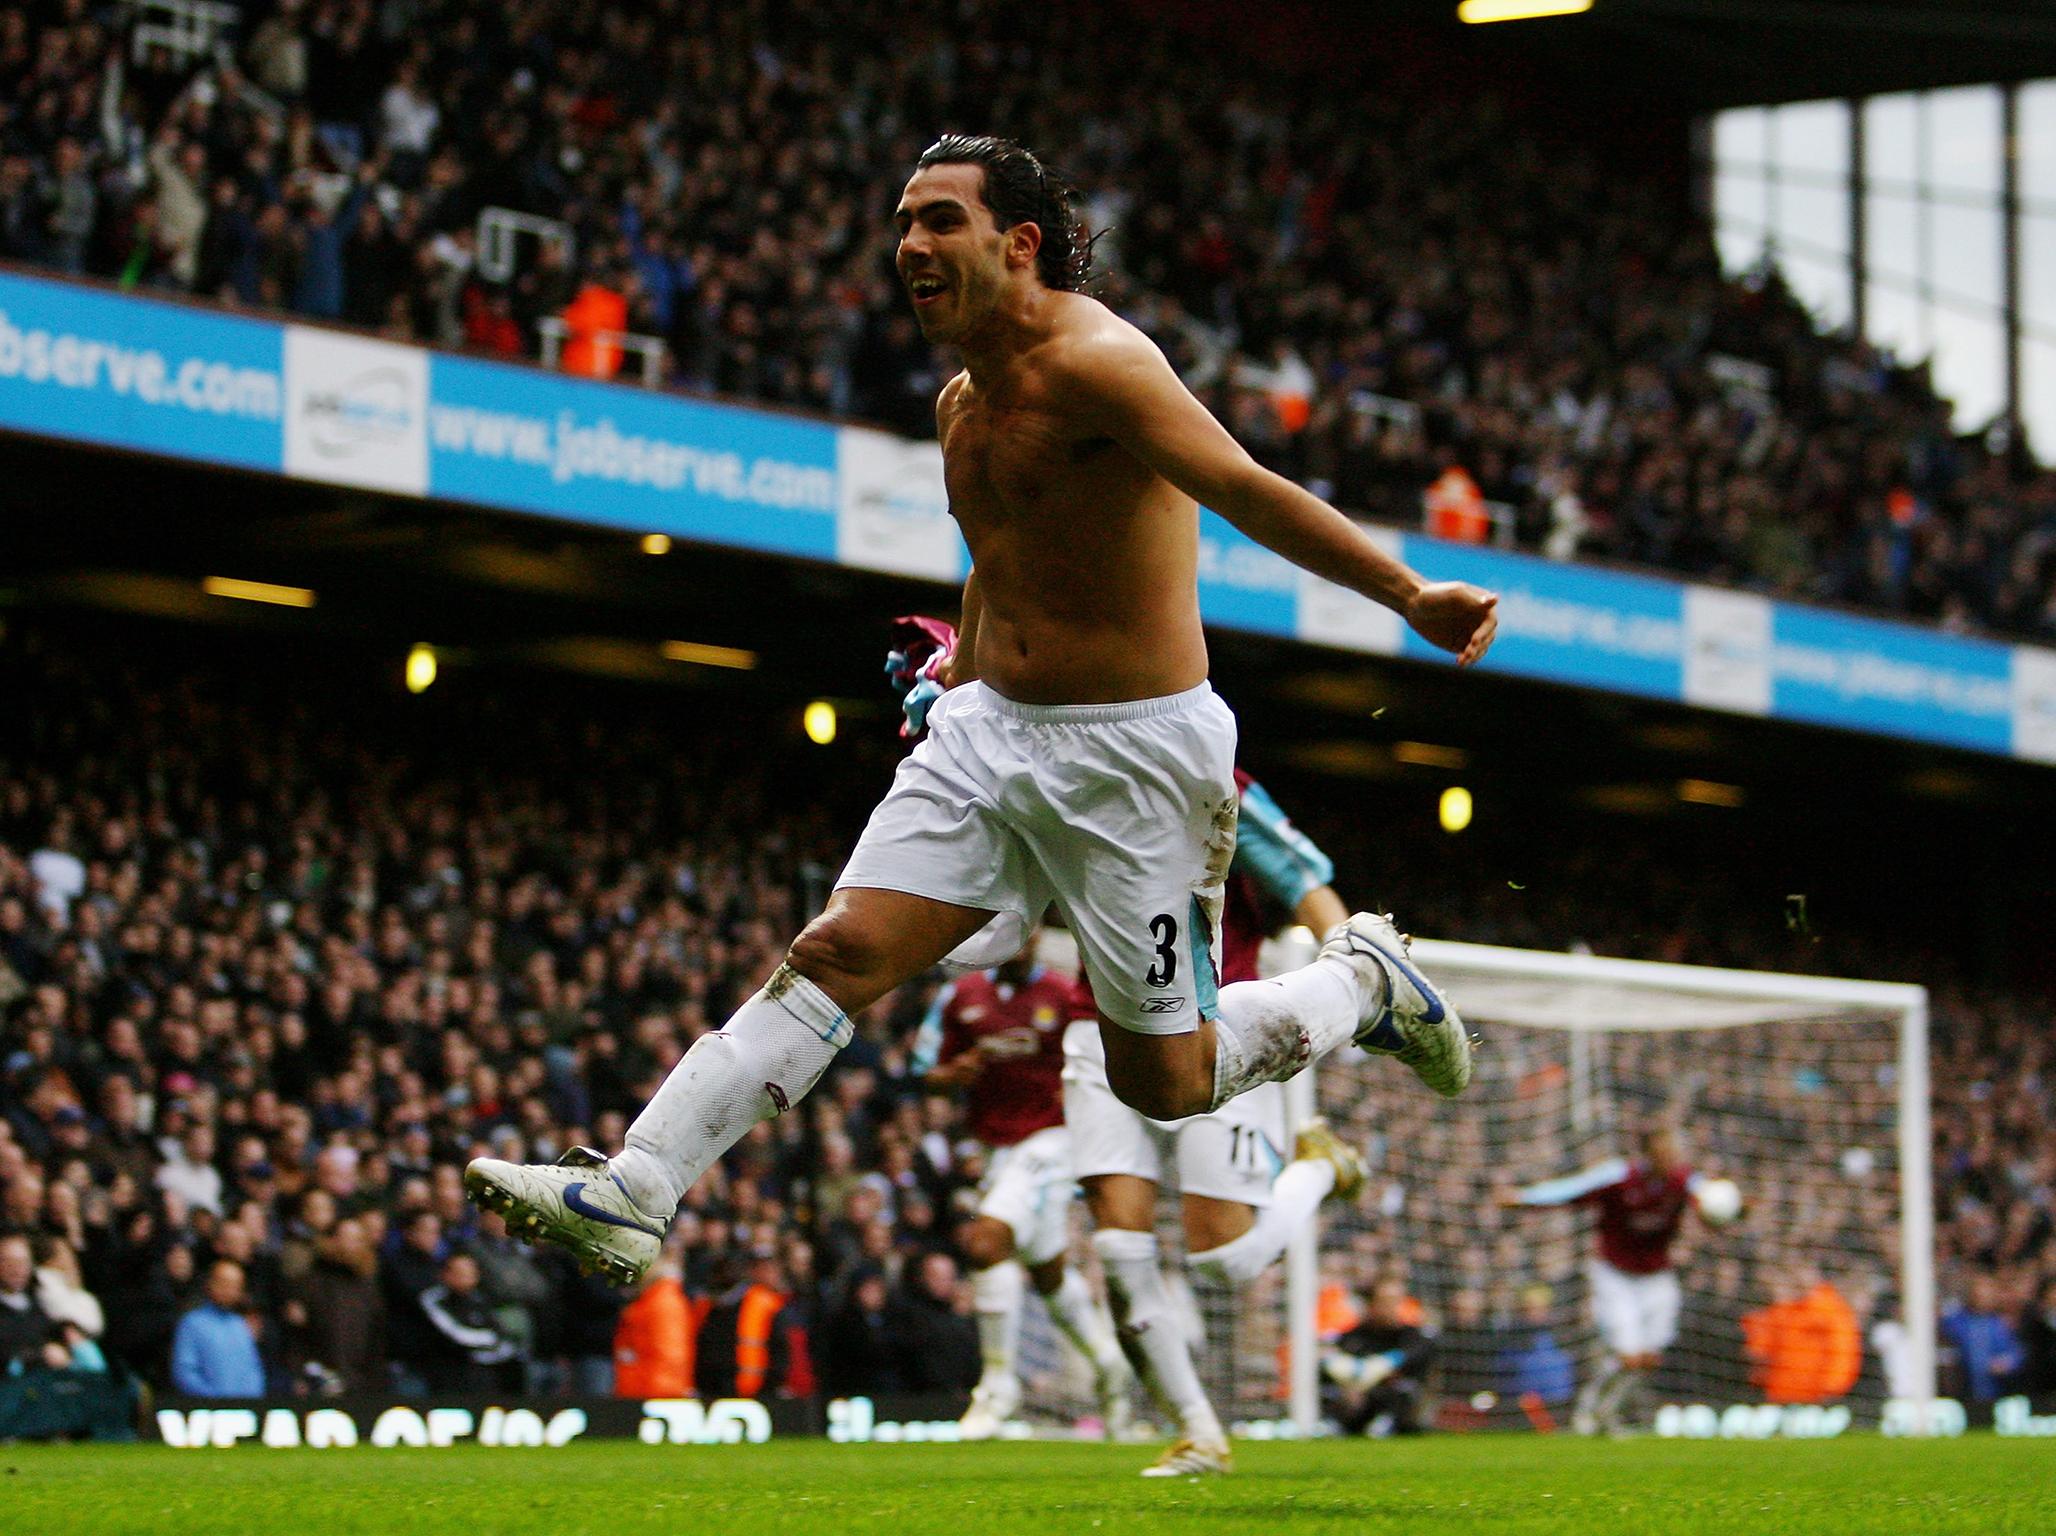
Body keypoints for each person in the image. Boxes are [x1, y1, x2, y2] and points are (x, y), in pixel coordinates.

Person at [464, 132, 1496, 1286]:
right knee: (838, 950)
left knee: (1166, 1078)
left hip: (1135, 760)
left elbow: (1245, 487)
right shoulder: (963, 401)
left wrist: (1410, 593)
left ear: (1019, 245)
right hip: (989, 732)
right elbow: (1001, 558)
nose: (910, 243)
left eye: (939, 219)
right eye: (904, 221)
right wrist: (957, 681)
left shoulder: (1104, 364)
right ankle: (635, 1187)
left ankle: (1360, 985)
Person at [1062, 772, 1368, 1476]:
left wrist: (1354, 975)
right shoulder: (1061, 762)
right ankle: (1199, 1432)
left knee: (1225, 1263)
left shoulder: (1212, 774)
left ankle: (1319, 1166)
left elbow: (1298, 875)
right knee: (1117, 1246)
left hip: (1215, 1024)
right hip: (1095, 1023)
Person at [910, 928, 1132, 1438]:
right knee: (1047, 1269)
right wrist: (955, 1072)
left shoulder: (1061, 994)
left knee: (987, 1241)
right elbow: (925, 1071)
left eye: (1031, 937)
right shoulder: (960, 996)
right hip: (994, 1148)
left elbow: (1098, 1065)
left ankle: (997, 1386)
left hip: (1052, 1140)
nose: (1024, 946)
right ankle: (1109, 1364)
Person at [1502, 1123, 1731, 1435]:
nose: (1673, 1158)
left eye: (1676, 1152)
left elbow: (1717, 1203)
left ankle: (1608, 1412)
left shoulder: (1685, 1180)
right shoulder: (1617, 1177)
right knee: (1628, 1355)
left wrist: (1736, 1209)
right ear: (1650, 1153)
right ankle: (1589, 1407)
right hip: (1615, 1274)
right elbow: (1571, 1190)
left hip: (1656, 1276)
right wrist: (1526, 1197)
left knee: (1648, 1357)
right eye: (1667, 1151)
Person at [1322, 1274, 1438, 1436]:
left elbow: (1419, 1366)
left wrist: (1383, 1366)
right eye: (1386, 1301)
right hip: (1355, 1409)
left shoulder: (1414, 1338)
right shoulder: (1351, 1338)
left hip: (1400, 1410)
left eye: (1397, 1301)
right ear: (1371, 1304)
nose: (1392, 1307)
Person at [170, 1260, 265, 1399]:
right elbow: (185, 1371)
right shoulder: (192, 1323)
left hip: (244, 1411)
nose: (229, 1290)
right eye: (224, 1283)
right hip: (206, 1410)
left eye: (235, 1286)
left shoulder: (240, 1325)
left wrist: (251, 1401)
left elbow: (253, 1370)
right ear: (210, 1283)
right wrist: (215, 1401)